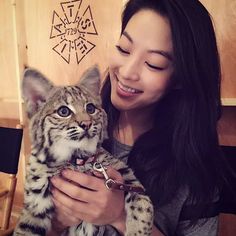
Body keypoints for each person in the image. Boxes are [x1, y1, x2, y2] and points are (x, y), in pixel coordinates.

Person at [49, 0, 232, 235]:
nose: (126, 72)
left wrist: (122, 216)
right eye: (124, 49)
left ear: (180, 79)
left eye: (154, 64)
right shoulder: (72, 128)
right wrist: (56, 222)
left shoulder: (195, 168)